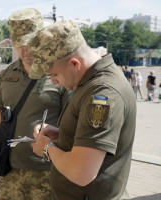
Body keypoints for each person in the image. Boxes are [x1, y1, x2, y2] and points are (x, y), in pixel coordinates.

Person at [28, 20, 136, 200]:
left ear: (74, 64)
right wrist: (63, 134)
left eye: (53, 74)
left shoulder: (102, 94)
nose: (53, 81)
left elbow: (82, 172)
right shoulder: (89, 82)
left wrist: (47, 148)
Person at [0, 8, 71, 200]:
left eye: (31, 42)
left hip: (48, 170)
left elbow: (73, 124)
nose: (26, 49)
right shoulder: (7, 75)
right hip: (9, 171)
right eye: (20, 43)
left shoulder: (59, 72)